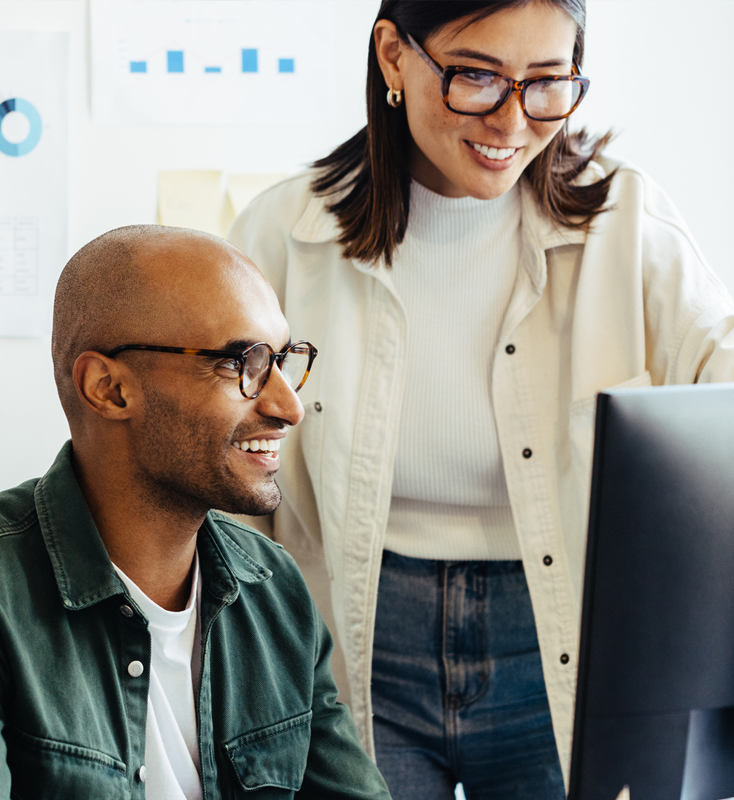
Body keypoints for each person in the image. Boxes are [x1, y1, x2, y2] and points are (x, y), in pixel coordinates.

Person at [228, 1, 734, 798]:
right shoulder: (285, 234)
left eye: (546, 84)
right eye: (475, 77)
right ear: (394, 56)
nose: (511, 120)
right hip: (358, 636)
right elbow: (219, 462)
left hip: (558, 632)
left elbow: (723, 393)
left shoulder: (626, 222)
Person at [0, 225, 392, 800]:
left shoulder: (275, 589)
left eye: (281, 359)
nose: (288, 405)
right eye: (239, 362)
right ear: (109, 388)